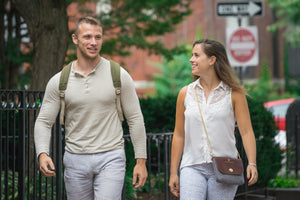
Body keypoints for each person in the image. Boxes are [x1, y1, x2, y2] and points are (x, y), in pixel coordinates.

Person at [34, 16, 147, 200]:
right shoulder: (59, 81)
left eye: (98, 37)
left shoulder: (118, 75)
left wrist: (140, 161)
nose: (93, 42)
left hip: (111, 157)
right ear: (75, 39)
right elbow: (44, 122)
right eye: (87, 37)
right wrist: (42, 153)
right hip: (75, 159)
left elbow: (135, 118)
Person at [169, 39, 258, 200]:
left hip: (225, 167)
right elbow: (179, 134)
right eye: (192, 55)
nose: (191, 59)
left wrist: (252, 163)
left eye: (196, 55)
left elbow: (246, 131)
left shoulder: (234, 94)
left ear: (212, 60)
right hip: (192, 166)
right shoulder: (185, 93)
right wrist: (173, 172)